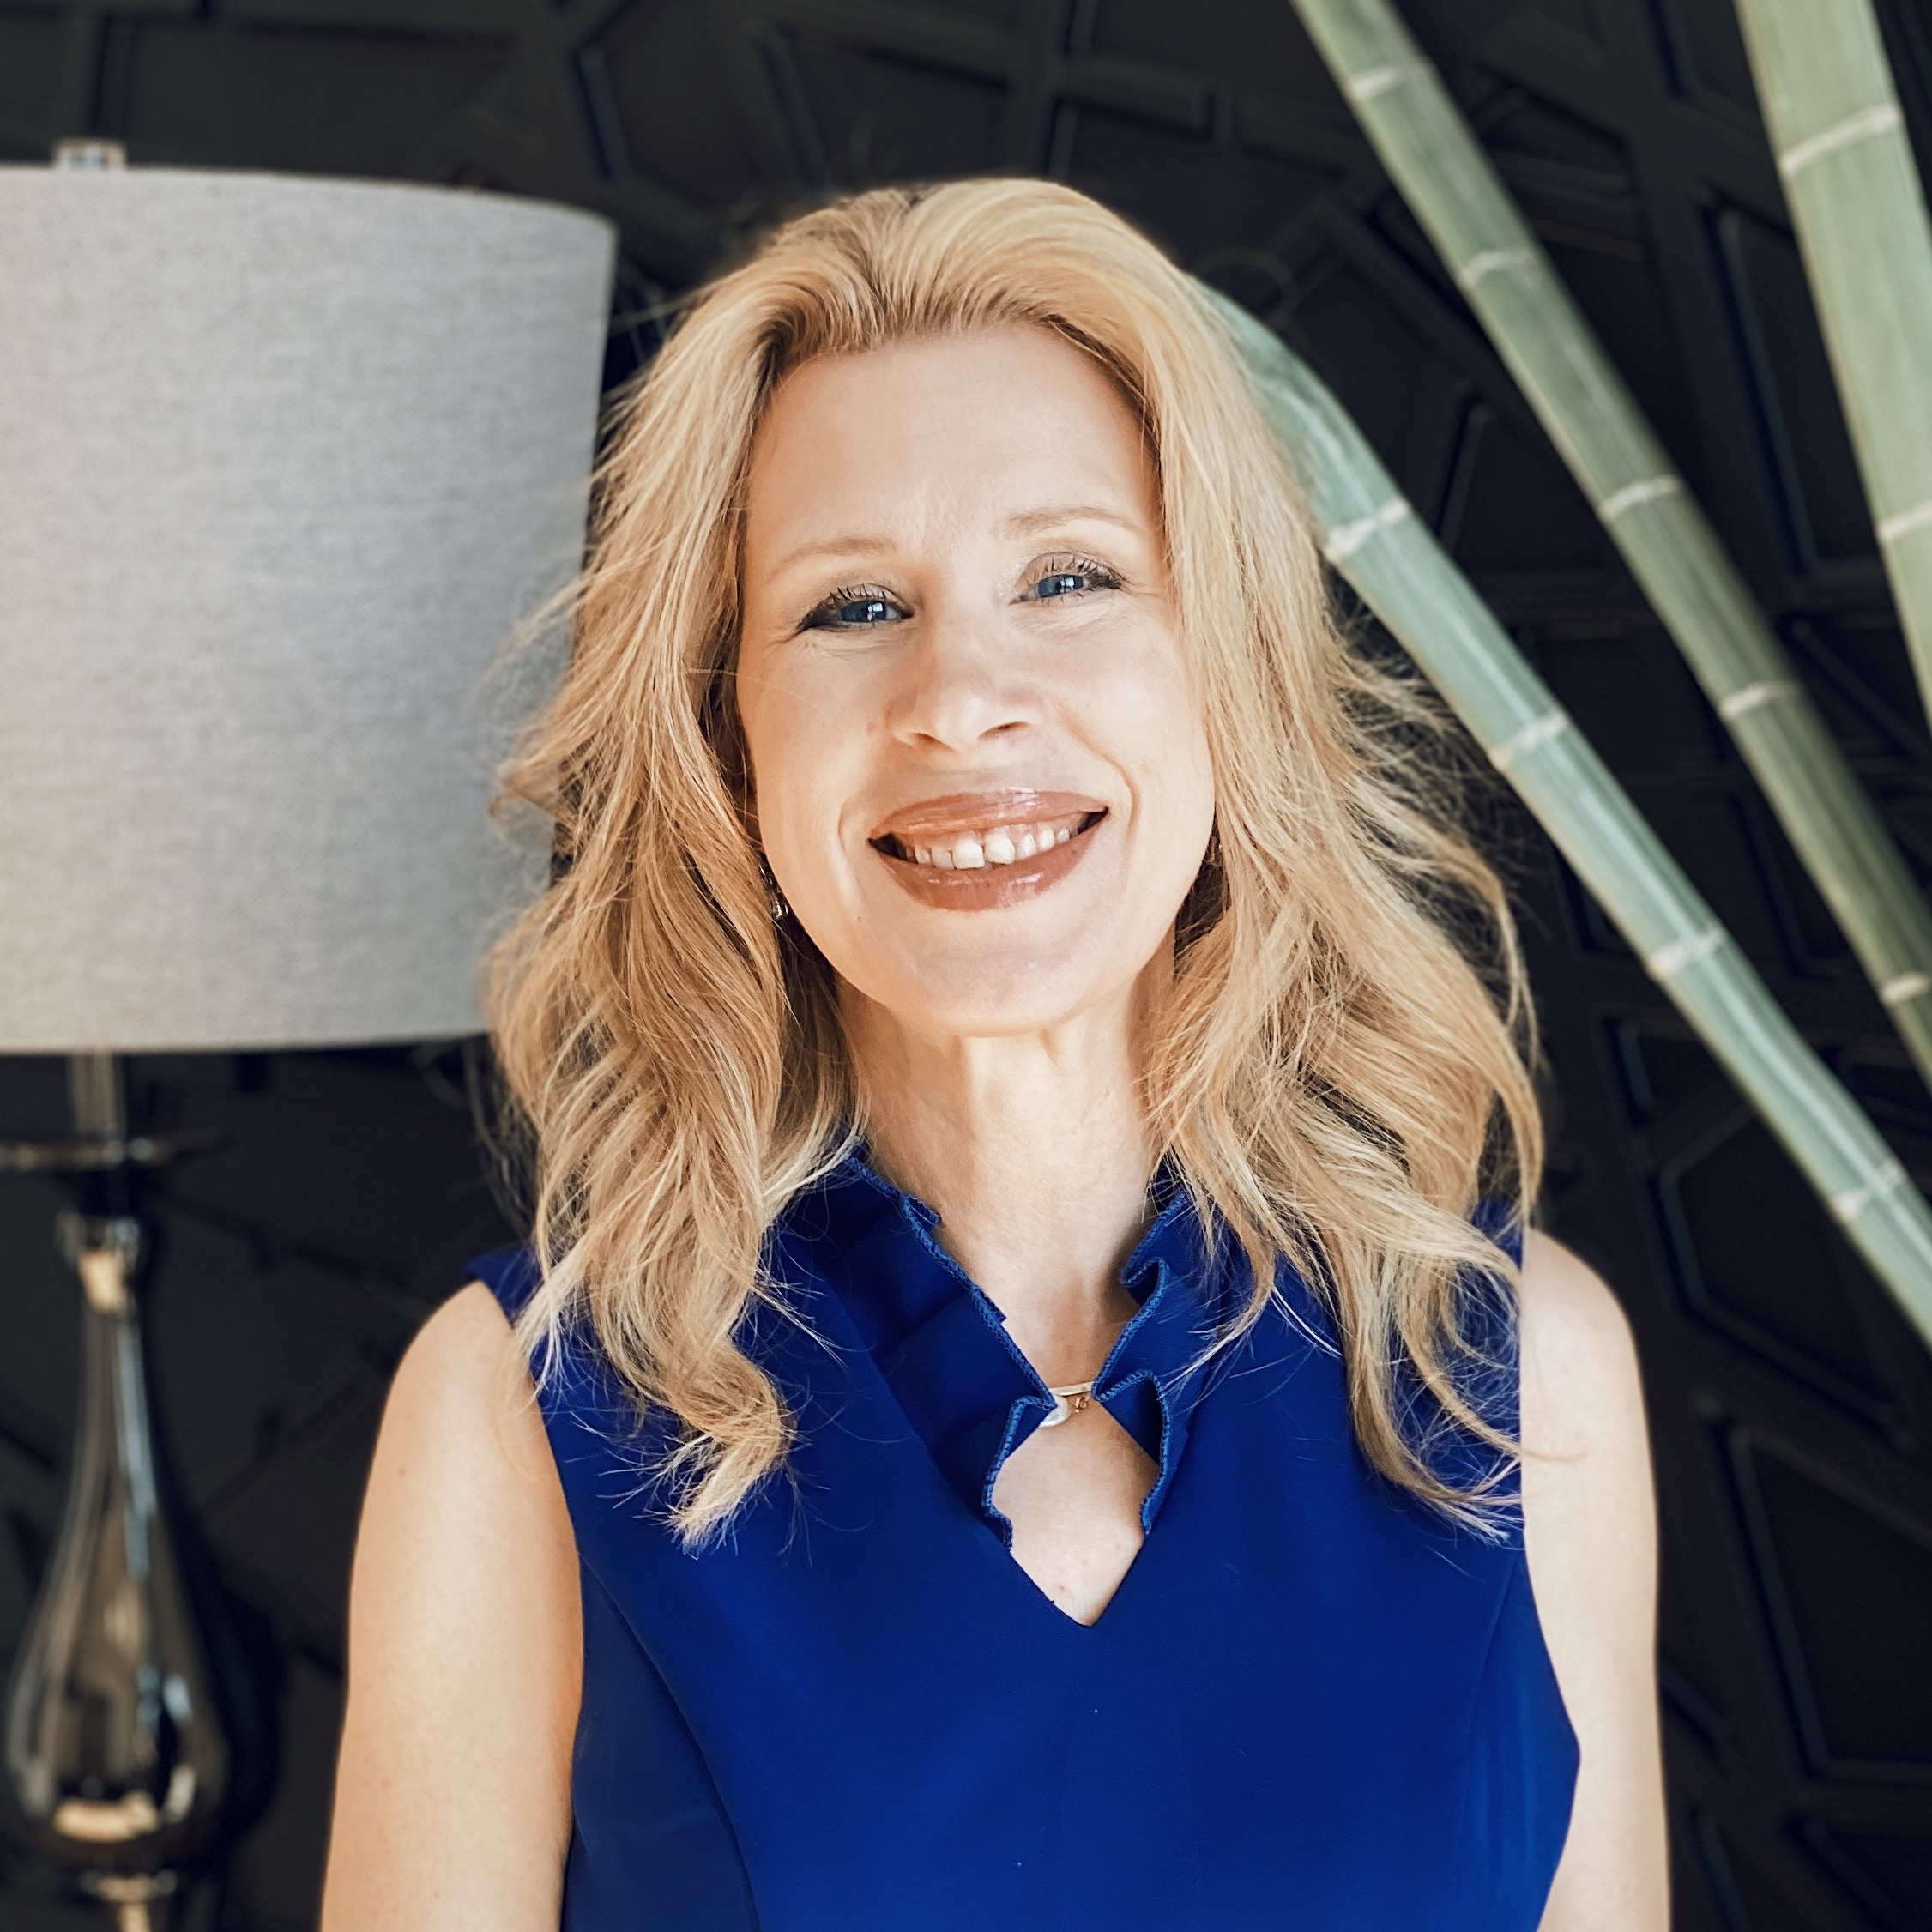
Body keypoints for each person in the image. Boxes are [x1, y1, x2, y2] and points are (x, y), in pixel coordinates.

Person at [320, 178, 1665, 1930]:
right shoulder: (521, 1409)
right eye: (849, 608)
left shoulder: (1519, 1371)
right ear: (729, 741)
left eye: (1068, 576)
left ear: (1227, 672)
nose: (959, 695)